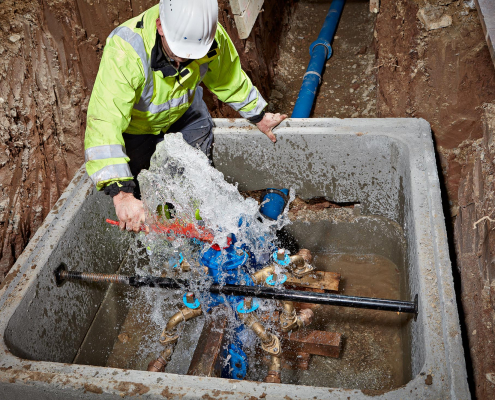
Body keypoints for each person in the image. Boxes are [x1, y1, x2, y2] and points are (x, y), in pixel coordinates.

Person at [84, 0, 286, 233]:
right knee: (145, 197)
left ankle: (200, 228)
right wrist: (121, 195)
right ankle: (165, 235)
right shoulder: (126, 50)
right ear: (160, 26)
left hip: (186, 114)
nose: (183, 62)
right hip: (136, 129)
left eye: (192, 57)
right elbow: (104, 122)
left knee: (196, 182)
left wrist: (258, 115)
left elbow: (227, 77)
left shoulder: (208, 36)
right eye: (178, 54)